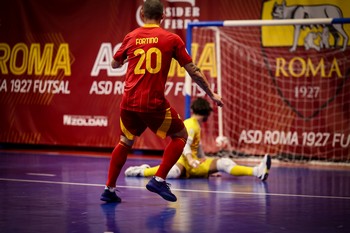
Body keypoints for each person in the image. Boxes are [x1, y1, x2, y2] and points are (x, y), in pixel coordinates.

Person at [100, 0, 223, 203]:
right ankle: (158, 179)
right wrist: (211, 94)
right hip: (152, 103)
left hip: (128, 102)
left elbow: (114, 63)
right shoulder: (171, 39)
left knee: (125, 141)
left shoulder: (131, 36)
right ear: (162, 17)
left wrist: (126, 57)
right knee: (181, 135)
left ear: (142, 12)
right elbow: (192, 70)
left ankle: (109, 189)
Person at [125, 98, 271, 180]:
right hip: (184, 160)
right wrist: (189, 160)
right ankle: (141, 171)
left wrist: (208, 165)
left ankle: (258, 171)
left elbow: (198, 147)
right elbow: (185, 145)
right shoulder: (190, 124)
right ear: (207, 113)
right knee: (172, 173)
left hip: (194, 162)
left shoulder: (196, 125)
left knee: (224, 163)